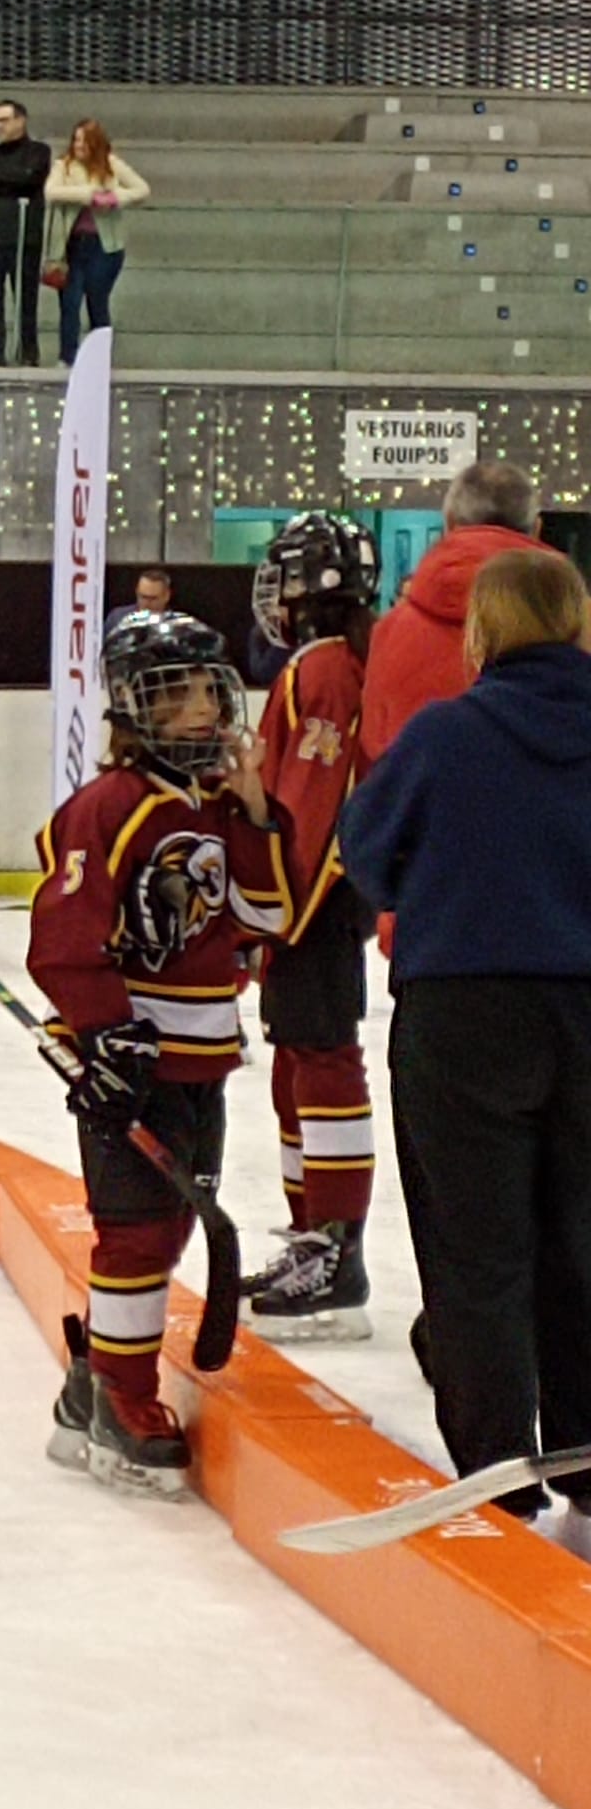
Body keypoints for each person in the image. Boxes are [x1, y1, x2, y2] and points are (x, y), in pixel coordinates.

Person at [340, 547, 591, 1539]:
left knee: (474, 1248)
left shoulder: (446, 735)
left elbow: (369, 855)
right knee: (583, 1239)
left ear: (483, 633)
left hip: (465, 1011)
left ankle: (497, 1467)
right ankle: (585, 1451)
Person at [27, 612, 291, 1496]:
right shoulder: (107, 807)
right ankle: (121, 1393)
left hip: (202, 1062)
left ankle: (88, 1380)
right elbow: (63, 938)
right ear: (134, 707)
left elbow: (267, 919)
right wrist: (104, 1030)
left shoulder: (219, 808)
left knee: (172, 1228)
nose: (204, 710)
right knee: (136, 1230)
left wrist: (257, 813)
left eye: (212, 690)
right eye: (179, 694)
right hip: (133, 1062)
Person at [358, 458, 545, 1383]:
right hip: (571, 956)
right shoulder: (573, 623)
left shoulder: (394, 633)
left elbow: (375, 806)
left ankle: (482, 1400)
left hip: (442, 949)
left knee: (463, 1200)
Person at [239, 511, 381, 1340]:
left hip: (315, 897)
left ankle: (338, 1247)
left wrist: (268, 903)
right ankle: (313, 1240)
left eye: (281, 573)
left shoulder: (323, 670)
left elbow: (309, 803)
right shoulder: (322, 662)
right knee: (299, 1061)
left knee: (324, 1061)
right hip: (312, 897)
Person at [361, 460, 544, 763]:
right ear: (536, 529)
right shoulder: (578, 628)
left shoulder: (390, 633)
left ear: (448, 523)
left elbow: (375, 762)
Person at [45, 119, 150, 365]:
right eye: (76, 139)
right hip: (71, 245)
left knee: (97, 298)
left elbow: (142, 189)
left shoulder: (111, 164)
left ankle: (99, 357)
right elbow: (51, 192)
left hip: (105, 246)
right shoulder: (64, 166)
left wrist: (115, 198)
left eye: (84, 140)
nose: (78, 145)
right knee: (70, 302)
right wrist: (89, 194)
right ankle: (67, 357)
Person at [0, 100, 50, 367]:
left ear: (20, 121)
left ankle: (28, 352)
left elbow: (30, 180)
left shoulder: (38, 151)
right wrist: (9, 181)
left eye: (4, 120)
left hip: (24, 236)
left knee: (26, 298)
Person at [103, 567, 173, 638]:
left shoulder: (175, 623)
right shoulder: (118, 618)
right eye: (143, 597)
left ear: (166, 596)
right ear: (137, 592)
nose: (147, 603)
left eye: (153, 598)